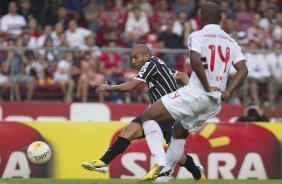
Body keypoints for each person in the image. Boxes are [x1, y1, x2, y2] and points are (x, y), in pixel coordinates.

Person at [139, 2, 248, 181]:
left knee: (148, 116)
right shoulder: (231, 41)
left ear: (201, 17)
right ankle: (162, 180)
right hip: (214, 103)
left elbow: (196, 63)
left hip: (196, 93)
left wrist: (206, 87)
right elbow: (243, 70)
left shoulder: (197, 35)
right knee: (178, 133)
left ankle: (160, 163)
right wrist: (228, 91)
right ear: (220, 18)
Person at [81, 44, 204, 182]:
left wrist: (107, 88)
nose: (133, 62)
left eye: (135, 57)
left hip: (166, 112)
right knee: (129, 131)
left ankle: (196, 171)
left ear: (146, 56)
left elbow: (130, 87)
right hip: (163, 113)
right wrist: (188, 94)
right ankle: (103, 162)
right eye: (131, 58)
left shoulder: (150, 63)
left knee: (179, 157)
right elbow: (181, 75)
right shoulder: (159, 64)